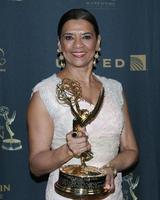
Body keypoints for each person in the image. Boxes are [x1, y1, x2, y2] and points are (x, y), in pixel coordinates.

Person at [27, 8, 139, 200]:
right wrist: (68, 151)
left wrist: (112, 167)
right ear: (59, 44)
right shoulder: (44, 92)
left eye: (86, 37)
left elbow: (131, 150)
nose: (78, 45)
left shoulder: (114, 88)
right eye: (69, 37)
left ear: (98, 42)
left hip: (112, 194)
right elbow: (36, 166)